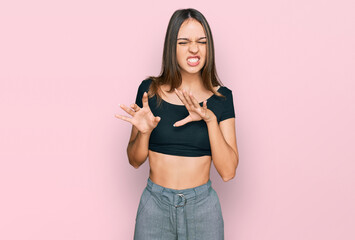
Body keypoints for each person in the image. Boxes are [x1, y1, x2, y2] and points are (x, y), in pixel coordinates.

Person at [115, 8, 239, 240]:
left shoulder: (222, 98)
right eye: (184, 42)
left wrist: (210, 120)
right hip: (155, 207)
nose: (194, 49)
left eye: (201, 42)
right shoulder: (148, 91)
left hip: (203, 208)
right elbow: (134, 161)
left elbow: (228, 172)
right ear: (172, 47)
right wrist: (145, 133)